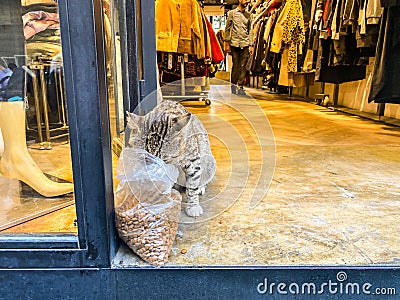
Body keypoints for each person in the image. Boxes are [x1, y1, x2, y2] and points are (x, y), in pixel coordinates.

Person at [224, 0, 254, 95]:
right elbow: (227, 29)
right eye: (245, 0)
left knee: (244, 66)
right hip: (235, 44)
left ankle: (240, 86)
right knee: (236, 66)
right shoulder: (232, 13)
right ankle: (233, 85)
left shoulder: (249, 15)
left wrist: (251, 45)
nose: (247, 2)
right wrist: (227, 43)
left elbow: (250, 30)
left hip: (245, 44)